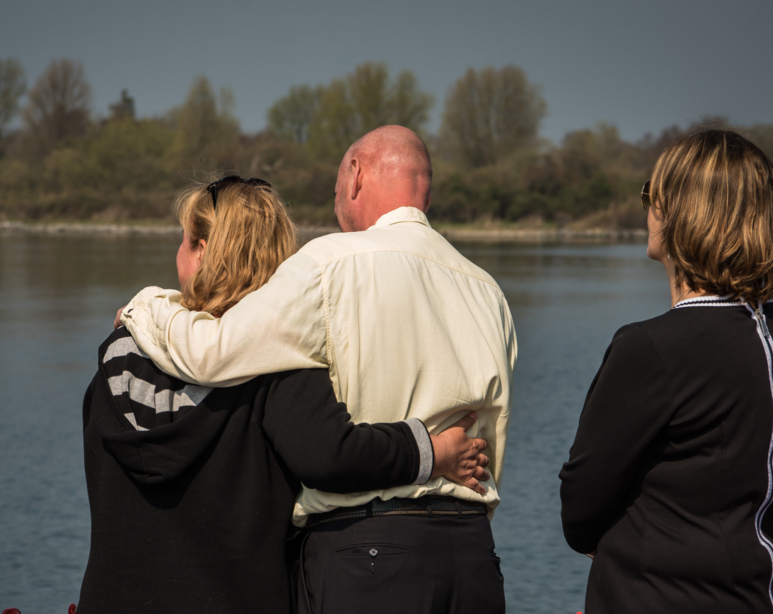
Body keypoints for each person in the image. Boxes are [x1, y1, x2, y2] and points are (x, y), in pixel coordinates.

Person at [118, 126, 516, 613]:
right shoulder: (488, 290)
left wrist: (146, 307)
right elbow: (491, 441)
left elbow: (211, 352)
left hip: (366, 556)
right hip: (471, 554)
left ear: (355, 177)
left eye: (333, 193)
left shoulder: (328, 264)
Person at [559, 129, 773, 614]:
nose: (647, 208)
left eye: (653, 195)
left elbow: (579, 511)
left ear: (682, 213)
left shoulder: (650, 348)